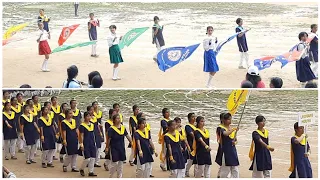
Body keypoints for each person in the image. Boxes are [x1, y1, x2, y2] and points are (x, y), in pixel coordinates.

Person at [105, 113, 133, 178]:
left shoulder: (123, 127)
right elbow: (108, 139)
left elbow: (127, 136)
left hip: (121, 148)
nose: (119, 120)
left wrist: (132, 142)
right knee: (114, 164)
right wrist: (107, 148)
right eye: (117, 118)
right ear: (114, 120)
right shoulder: (111, 129)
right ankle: (111, 176)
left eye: (119, 118)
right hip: (114, 148)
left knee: (120, 164)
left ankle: (119, 177)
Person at [215, 113, 240, 178]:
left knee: (235, 169)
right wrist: (233, 129)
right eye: (228, 119)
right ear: (224, 120)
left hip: (232, 151)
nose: (230, 121)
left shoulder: (231, 129)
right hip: (225, 151)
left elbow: (235, 139)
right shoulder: (220, 128)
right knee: (225, 169)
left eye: (230, 119)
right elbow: (225, 134)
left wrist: (235, 142)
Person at [79, 112, 98, 177]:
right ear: (84, 117)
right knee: (87, 158)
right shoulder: (82, 126)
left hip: (92, 143)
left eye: (90, 116)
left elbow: (93, 135)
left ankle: (91, 171)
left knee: (93, 158)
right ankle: (82, 168)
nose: (89, 117)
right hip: (86, 143)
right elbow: (81, 135)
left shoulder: (92, 125)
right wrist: (81, 144)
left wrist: (95, 143)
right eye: (87, 116)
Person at [91, 102, 104, 167]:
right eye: (94, 105)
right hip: (94, 128)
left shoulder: (100, 112)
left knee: (100, 142)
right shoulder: (91, 114)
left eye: (97, 104)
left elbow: (100, 120)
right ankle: (94, 158)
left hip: (99, 128)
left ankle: (98, 156)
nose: (96, 106)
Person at [185, 113, 197, 177]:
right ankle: (186, 170)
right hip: (191, 144)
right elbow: (192, 134)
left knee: (197, 159)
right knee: (191, 159)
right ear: (189, 118)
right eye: (192, 117)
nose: (194, 118)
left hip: (197, 144)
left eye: (194, 117)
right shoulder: (188, 126)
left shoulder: (196, 126)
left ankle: (196, 172)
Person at [215, 113, 225, 178]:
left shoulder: (227, 127)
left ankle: (220, 174)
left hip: (228, 146)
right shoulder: (220, 128)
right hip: (222, 145)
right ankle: (220, 174)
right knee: (223, 160)